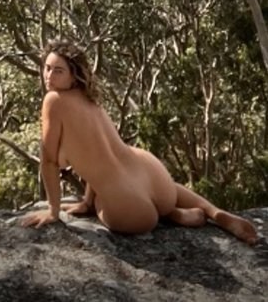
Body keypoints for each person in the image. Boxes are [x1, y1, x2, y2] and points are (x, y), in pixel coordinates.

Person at [21, 39, 259, 244]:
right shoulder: (89, 98)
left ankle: (171, 214)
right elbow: (97, 152)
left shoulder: (53, 101)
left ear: (73, 75)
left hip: (131, 209)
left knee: (104, 199)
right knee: (158, 189)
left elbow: (49, 160)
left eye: (58, 71)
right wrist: (85, 201)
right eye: (47, 68)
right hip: (152, 174)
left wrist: (53, 211)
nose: (49, 76)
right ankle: (208, 211)